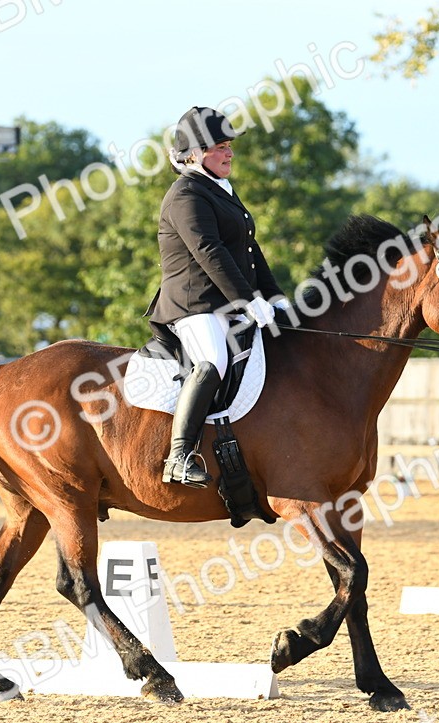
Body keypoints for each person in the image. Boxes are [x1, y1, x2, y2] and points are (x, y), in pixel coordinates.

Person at [147, 106, 289, 488]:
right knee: (212, 360)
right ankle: (178, 457)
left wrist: (273, 296)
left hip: (226, 302)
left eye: (229, 146)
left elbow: (248, 249)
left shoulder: (219, 190)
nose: (229, 154)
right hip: (193, 304)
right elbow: (209, 251)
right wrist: (247, 300)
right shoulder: (185, 195)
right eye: (219, 147)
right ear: (193, 153)